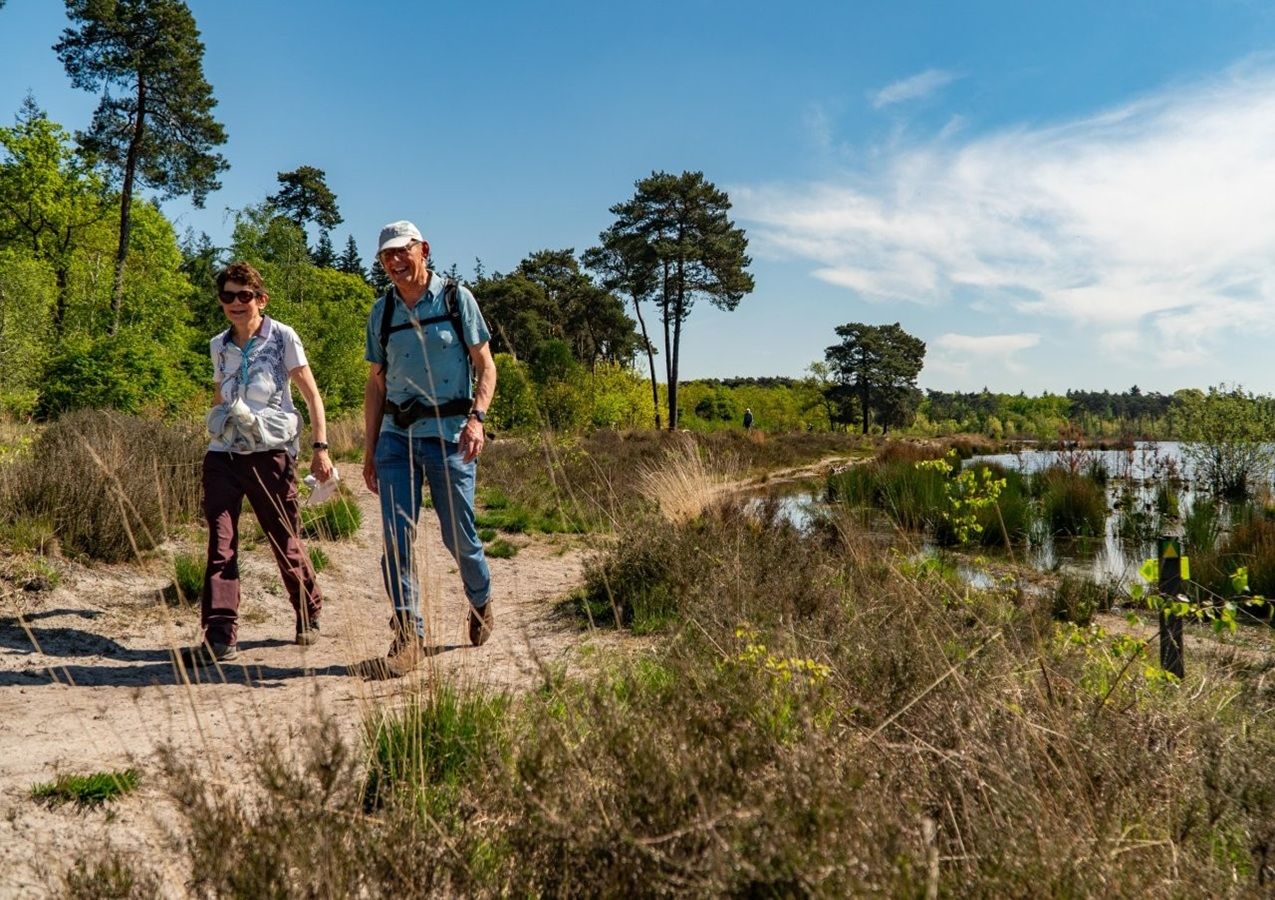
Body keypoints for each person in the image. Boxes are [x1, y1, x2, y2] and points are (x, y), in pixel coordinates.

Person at [362, 220, 497, 676]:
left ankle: (480, 600)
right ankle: (407, 636)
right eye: (386, 256)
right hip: (396, 438)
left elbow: (486, 367)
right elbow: (376, 385)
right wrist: (369, 450)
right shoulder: (381, 313)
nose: (395, 262)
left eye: (403, 251)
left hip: (451, 433)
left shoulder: (458, 300)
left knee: (457, 535)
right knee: (396, 538)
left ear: (424, 250)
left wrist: (477, 420)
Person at [182, 262, 332, 667]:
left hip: (271, 454)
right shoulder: (218, 344)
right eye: (228, 296)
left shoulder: (283, 337)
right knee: (220, 542)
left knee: (284, 540)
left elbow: (312, 396)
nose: (235, 303)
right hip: (223, 455)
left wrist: (320, 448)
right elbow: (219, 394)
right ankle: (219, 635)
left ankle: (308, 609)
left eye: (244, 295)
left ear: (260, 299)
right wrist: (215, 427)